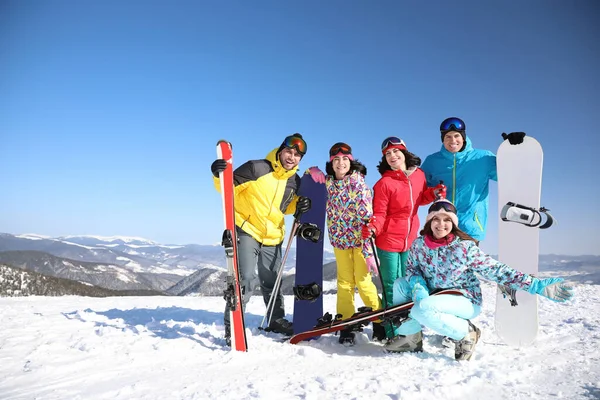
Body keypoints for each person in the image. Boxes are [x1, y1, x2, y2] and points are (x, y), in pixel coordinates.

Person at [384, 199, 574, 360]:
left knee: (422, 309)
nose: (440, 224)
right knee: (401, 284)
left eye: (446, 220)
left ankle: (466, 333)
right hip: (435, 294)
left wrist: (535, 285)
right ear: (429, 222)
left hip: (464, 299)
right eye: (436, 219)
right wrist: (418, 286)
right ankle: (410, 336)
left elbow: (496, 270)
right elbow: (412, 268)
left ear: (454, 224)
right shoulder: (419, 244)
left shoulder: (464, 248)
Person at [210, 133, 312, 345]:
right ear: (281, 150)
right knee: (245, 277)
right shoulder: (256, 168)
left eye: (296, 155)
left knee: (272, 281)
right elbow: (225, 188)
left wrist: (299, 205)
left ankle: (276, 319)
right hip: (247, 229)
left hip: (273, 235)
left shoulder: (295, 181)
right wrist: (217, 174)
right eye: (288, 152)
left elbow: (286, 207)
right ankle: (233, 325)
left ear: (300, 159)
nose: (291, 157)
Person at [362, 137, 445, 340]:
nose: (392, 156)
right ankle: (394, 334)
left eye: (396, 151)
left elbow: (420, 198)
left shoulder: (419, 175)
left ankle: (407, 327)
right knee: (391, 286)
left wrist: (433, 193)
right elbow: (380, 213)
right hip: (388, 240)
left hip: (409, 241)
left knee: (406, 286)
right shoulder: (384, 183)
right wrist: (373, 227)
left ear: (404, 153)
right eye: (387, 154)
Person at [308, 142, 383, 345]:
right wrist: (312, 170)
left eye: (344, 159)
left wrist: (368, 252)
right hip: (340, 242)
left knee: (363, 281)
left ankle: (379, 319)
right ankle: (346, 322)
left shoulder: (359, 185)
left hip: (360, 242)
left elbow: (368, 221)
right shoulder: (329, 183)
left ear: (351, 162)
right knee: (344, 283)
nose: (340, 163)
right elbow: (313, 177)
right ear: (331, 164)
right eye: (336, 160)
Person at [421, 117, 526, 244]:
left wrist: (513, 151)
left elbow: (508, 175)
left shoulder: (483, 158)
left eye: (456, 136)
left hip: (470, 227)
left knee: (467, 264)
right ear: (442, 139)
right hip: (441, 227)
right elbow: (419, 190)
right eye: (448, 136)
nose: (453, 140)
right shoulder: (432, 161)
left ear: (463, 137)